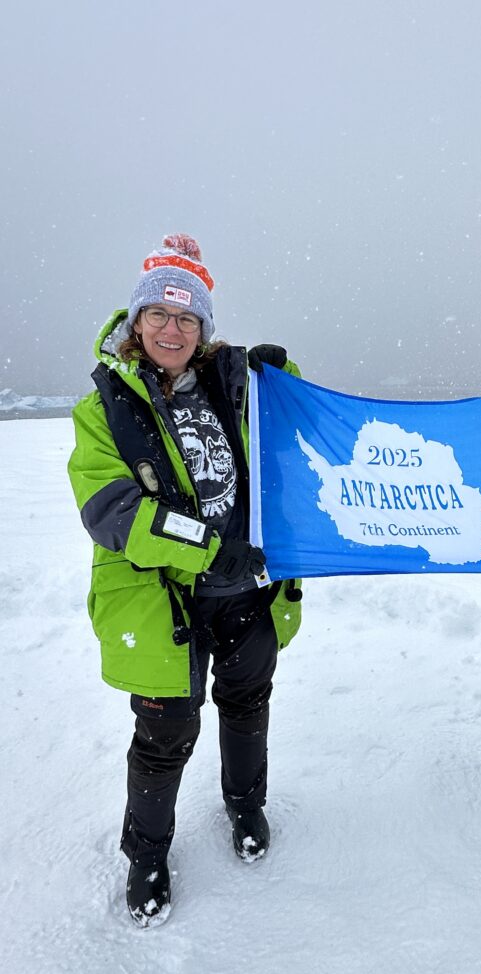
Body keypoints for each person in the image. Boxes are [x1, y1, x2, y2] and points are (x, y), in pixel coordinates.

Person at [68, 234, 302, 926]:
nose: (173, 330)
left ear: (203, 329)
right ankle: (146, 854)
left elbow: (308, 424)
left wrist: (284, 374)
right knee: (165, 734)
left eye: (187, 318)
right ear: (138, 324)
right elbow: (113, 510)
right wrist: (207, 549)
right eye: (160, 316)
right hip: (159, 599)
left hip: (247, 591)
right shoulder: (106, 405)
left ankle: (245, 804)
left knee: (247, 701)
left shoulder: (235, 384)